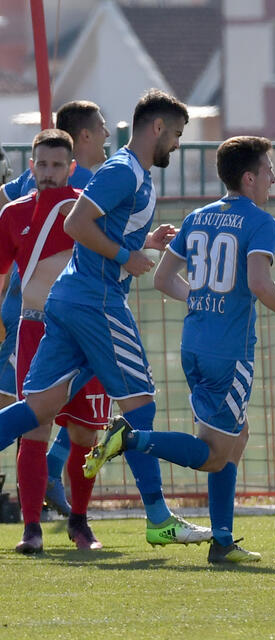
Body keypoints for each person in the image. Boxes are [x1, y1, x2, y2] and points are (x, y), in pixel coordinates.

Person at [0, 89, 211, 552]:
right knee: (140, 404)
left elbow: (101, 225)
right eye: (175, 133)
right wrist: (126, 255)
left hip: (73, 299)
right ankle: (158, 518)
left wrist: (143, 242)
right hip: (97, 301)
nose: (176, 143)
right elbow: (77, 225)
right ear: (156, 128)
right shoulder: (123, 171)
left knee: (38, 408)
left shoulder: (129, 173)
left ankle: (141, 517)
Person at [116, 135, 275, 565]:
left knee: (237, 435)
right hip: (229, 353)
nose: (273, 178)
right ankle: (133, 438)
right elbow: (259, 284)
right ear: (249, 178)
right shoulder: (261, 221)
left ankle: (223, 539)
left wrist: (204, 299)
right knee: (212, 456)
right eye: (268, 170)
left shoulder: (198, 217)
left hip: (194, 344)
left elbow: (162, 280)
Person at [0, 129, 111, 550]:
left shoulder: (85, 212)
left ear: (71, 168)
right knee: (34, 427)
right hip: (35, 329)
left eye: (57, 165)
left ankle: (79, 522)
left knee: (85, 434)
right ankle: (31, 528)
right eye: (41, 164)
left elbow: (113, 255)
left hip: (84, 333)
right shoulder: (12, 214)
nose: (48, 173)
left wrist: (149, 244)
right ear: (31, 166)